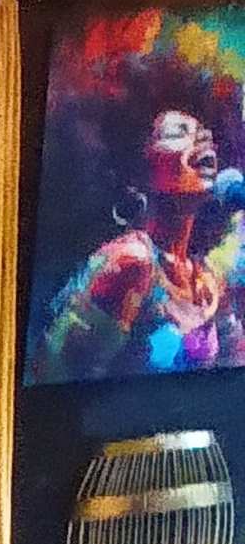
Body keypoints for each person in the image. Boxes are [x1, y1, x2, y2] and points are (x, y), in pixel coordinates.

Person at [41, 105, 245, 376]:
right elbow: (61, 376)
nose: (202, 138)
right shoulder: (131, 262)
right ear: (141, 170)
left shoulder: (205, 280)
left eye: (203, 132)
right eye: (179, 132)